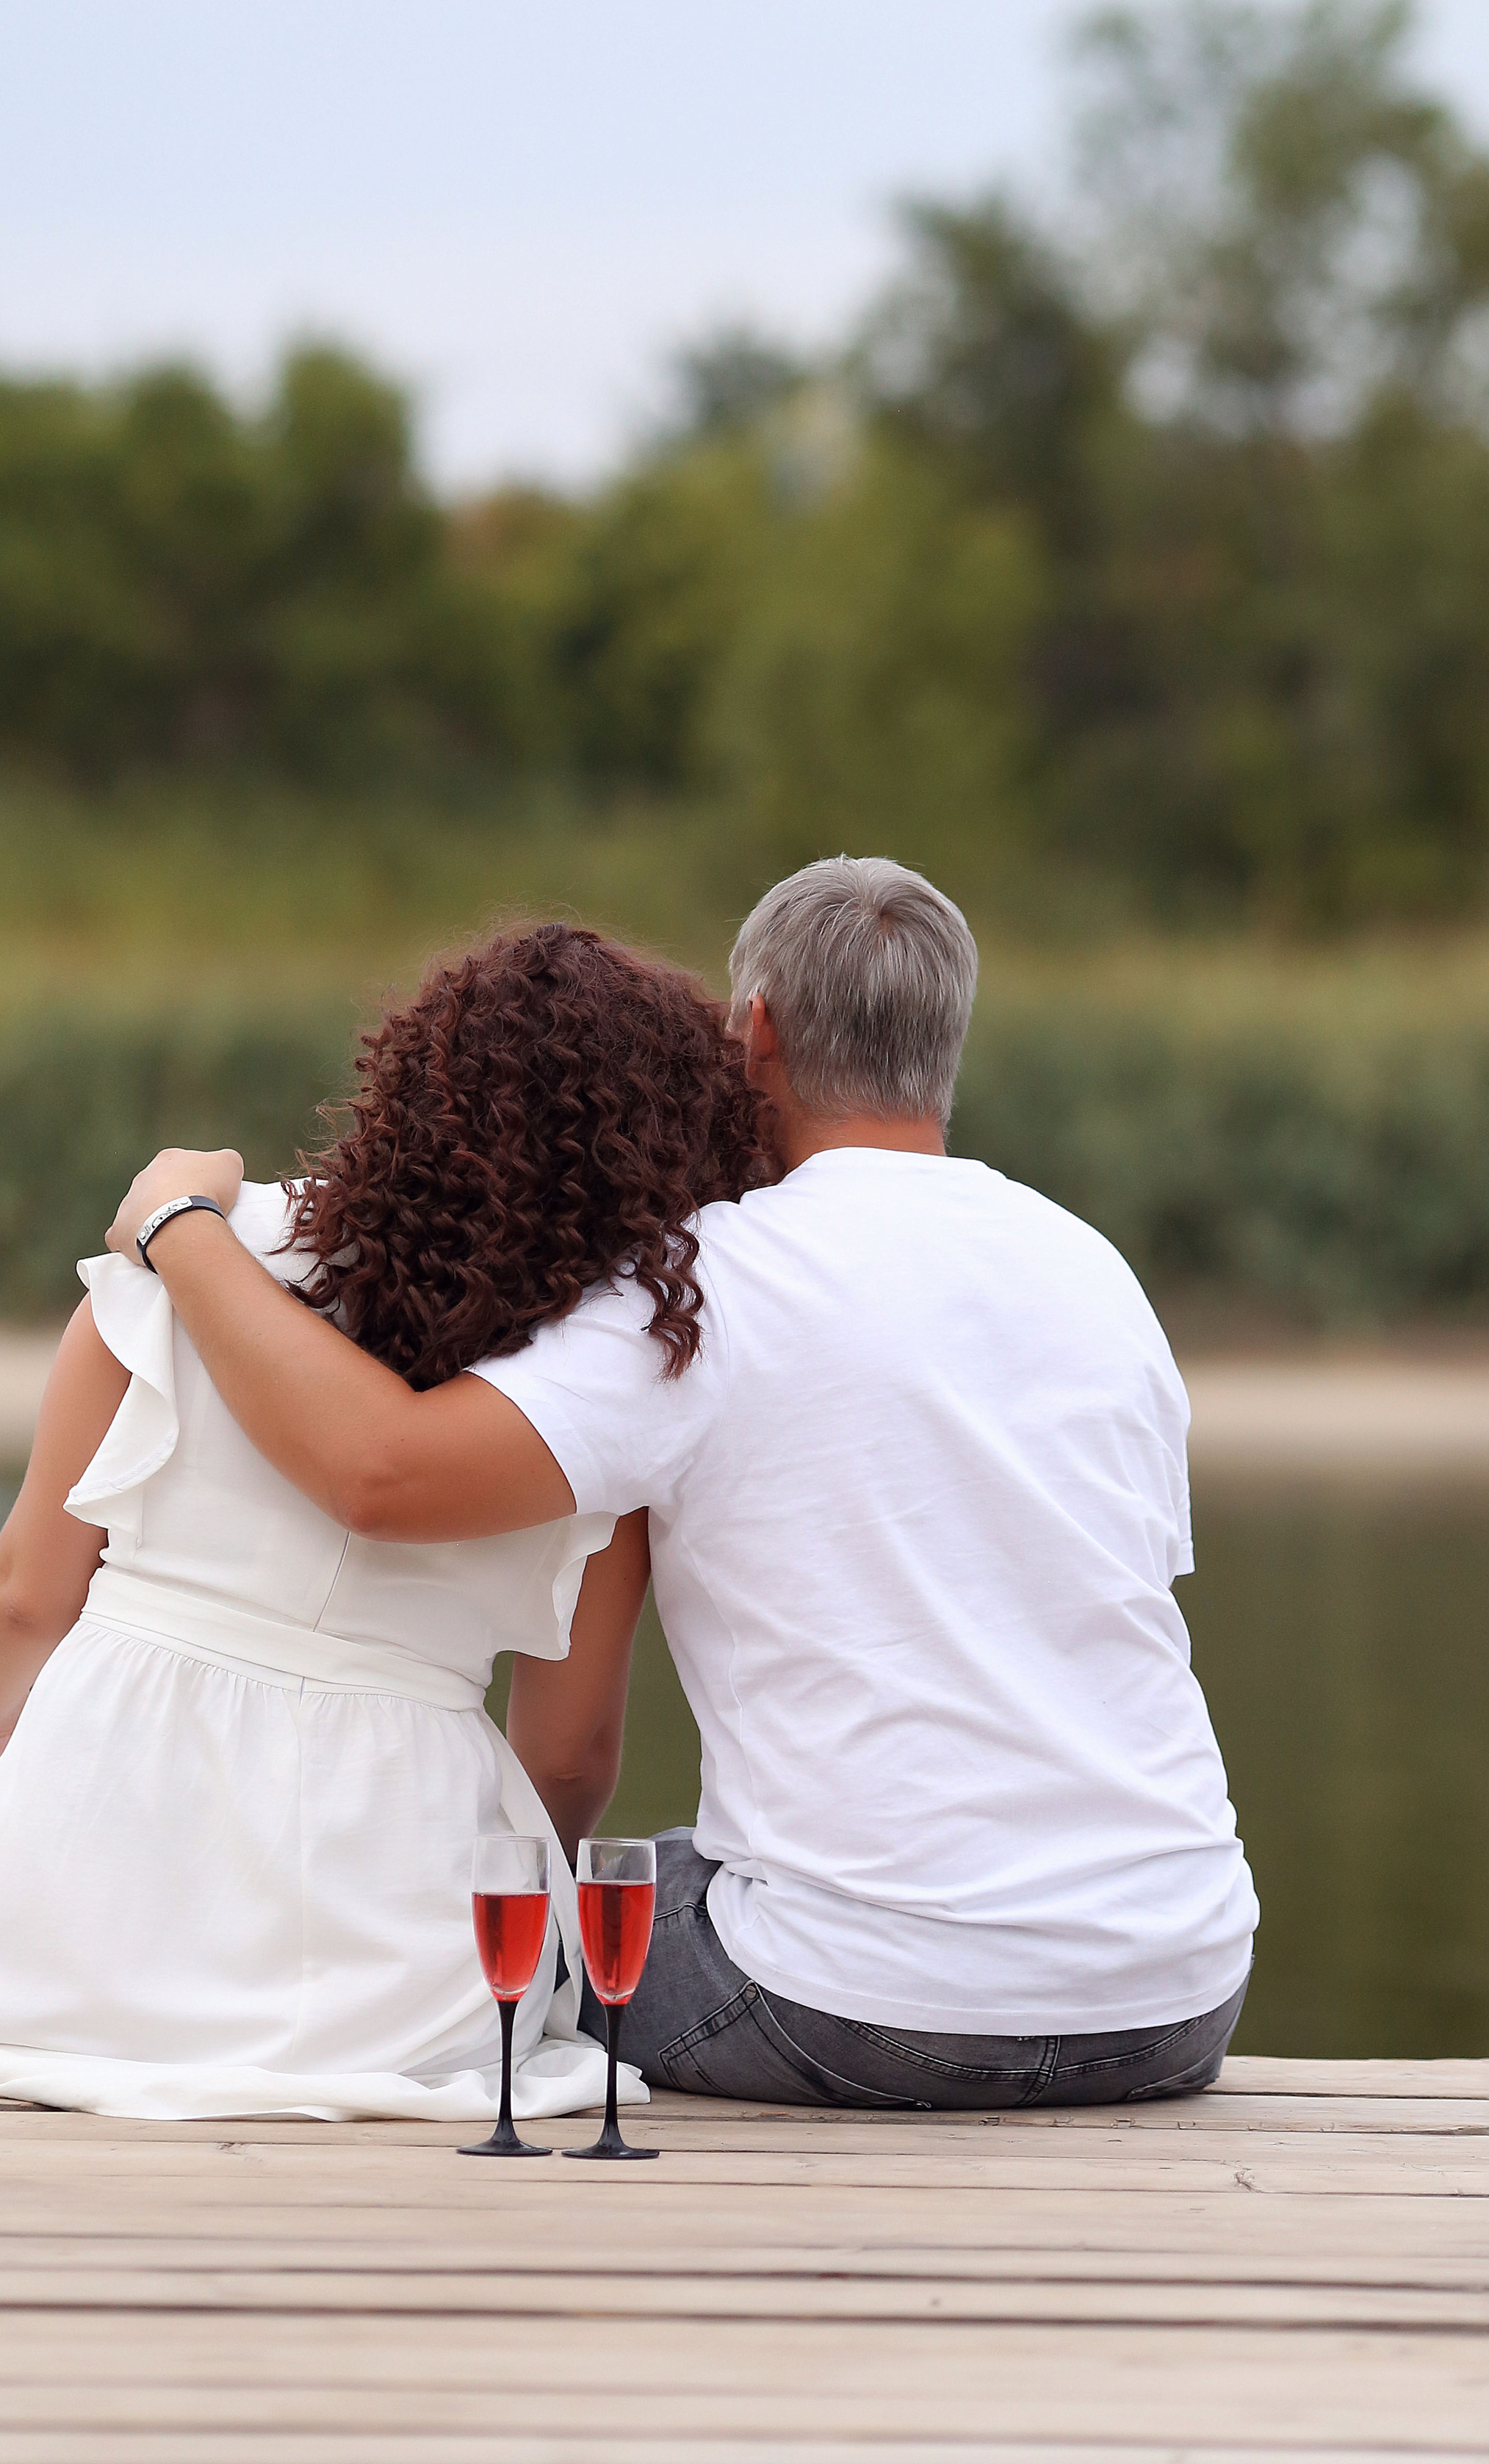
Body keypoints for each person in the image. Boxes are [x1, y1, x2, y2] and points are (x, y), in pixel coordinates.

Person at [109, 856, 1258, 2113]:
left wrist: (183, 1230)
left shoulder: (704, 1289)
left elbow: (383, 1475)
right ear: (946, 1042)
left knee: (528, 1915)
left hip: (862, 2008)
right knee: (682, 1873)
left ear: (752, 1030)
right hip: (1177, 1989)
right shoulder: (1093, 1275)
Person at [0, 922, 773, 2121]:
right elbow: (571, 1752)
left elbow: (28, 1592)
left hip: (79, 1889)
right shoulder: (597, 1395)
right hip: (391, 1947)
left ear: (412, 1084)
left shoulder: (192, 1255)